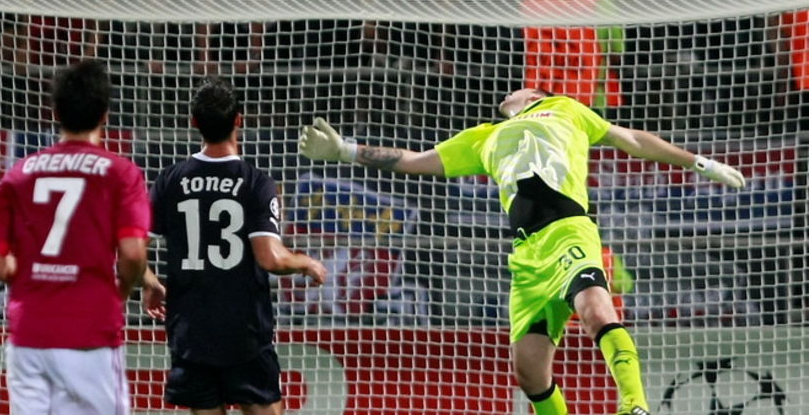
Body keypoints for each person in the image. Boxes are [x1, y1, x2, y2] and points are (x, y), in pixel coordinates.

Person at [298, 87, 746, 415]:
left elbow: (631, 140)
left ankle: (635, 406)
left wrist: (699, 163)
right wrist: (345, 150)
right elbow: (415, 160)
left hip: (568, 231)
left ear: (535, 94)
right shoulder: (484, 137)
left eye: (522, 86)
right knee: (530, 371)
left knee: (595, 310)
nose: (512, 88)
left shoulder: (565, 109)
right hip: (527, 257)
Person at [0, 60, 150, 414]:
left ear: (54, 112)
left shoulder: (19, 175)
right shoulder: (120, 174)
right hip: (90, 330)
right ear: (105, 114)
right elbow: (132, 255)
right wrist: (123, 291)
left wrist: (32, 272)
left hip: (29, 335)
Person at [145, 78, 327, 415]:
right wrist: (305, 262)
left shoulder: (170, 180)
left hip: (191, 331)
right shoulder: (256, 183)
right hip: (243, 331)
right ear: (238, 120)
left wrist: (151, 284)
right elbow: (270, 257)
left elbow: (132, 249)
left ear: (194, 123)